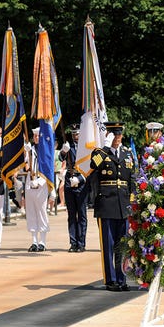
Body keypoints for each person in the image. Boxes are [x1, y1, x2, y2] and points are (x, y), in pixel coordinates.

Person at [90, 122, 135, 291]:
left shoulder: (127, 153)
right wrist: (106, 147)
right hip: (106, 203)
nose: (117, 138)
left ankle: (122, 278)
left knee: (122, 244)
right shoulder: (101, 152)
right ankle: (111, 280)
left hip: (123, 204)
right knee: (108, 244)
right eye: (113, 135)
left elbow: (132, 178)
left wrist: (132, 200)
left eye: (119, 135)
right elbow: (93, 166)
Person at [59, 124, 89, 253]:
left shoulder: (86, 148)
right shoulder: (69, 146)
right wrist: (64, 151)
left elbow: (89, 167)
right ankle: (73, 243)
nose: (75, 136)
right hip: (69, 180)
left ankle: (81, 243)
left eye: (77, 134)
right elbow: (61, 158)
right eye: (73, 134)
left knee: (81, 214)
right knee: (71, 215)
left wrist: (80, 179)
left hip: (81, 181)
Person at [24, 127, 50, 252]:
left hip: (41, 182)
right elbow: (27, 167)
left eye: (38, 136)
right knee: (31, 212)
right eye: (34, 136)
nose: (36, 138)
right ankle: (34, 241)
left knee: (41, 212)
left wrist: (39, 182)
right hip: (30, 181)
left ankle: (43, 242)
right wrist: (27, 154)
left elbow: (48, 170)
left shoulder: (46, 150)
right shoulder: (31, 150)